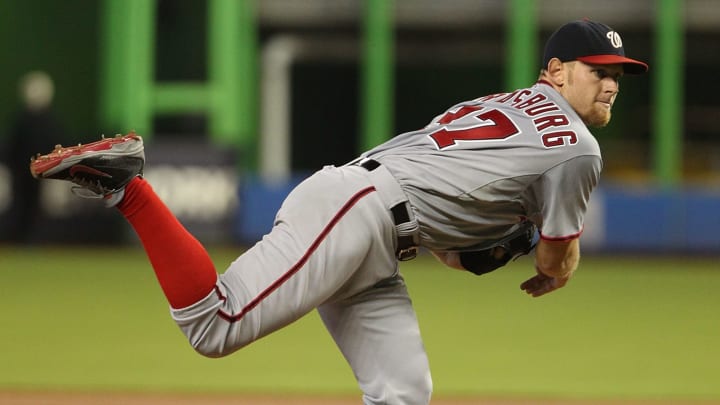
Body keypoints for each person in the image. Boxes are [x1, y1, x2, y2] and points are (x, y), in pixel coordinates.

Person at [29, 20, 647, 405]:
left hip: (377, 235)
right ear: (557, 71)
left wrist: (505, 242)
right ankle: (129, 189)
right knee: (213, 327)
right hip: (360, 210)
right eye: (599, 71)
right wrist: (553, 259)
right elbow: (556, 254)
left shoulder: (506, 108)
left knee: (403, 391)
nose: (612, 82)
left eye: (620, 73)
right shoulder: (575, 146)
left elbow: (454, 252)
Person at [3, 71, 64, 243]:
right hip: (23, 173)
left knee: (34, 207)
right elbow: (12, 147)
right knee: (21, 206)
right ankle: (18, 239)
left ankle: (30, 240)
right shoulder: (23, 121)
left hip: (37, 173)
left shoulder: (46, 122)